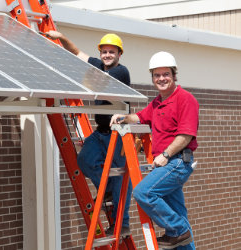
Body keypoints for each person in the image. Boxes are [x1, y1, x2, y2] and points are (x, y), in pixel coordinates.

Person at [46, 31, 132, 236]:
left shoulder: (121, 72)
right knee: (85, 160)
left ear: (119, 54)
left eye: (112, 52)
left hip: (119, 133)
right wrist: (60, 36)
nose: (107, 55)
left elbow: (98, 82)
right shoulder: (98, 65)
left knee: (121, 179)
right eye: (104, 51)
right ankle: (107, 190)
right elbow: (76, 53)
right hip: (101, 132)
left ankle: (122, 223)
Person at [110, 51, 198, 249]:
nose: (161, 79)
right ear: (152, 78)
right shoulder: (157, 102)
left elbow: (185, 136)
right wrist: (123, 117)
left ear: (174, 75)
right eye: (157, 75)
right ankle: (179, 232)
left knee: (143, 192)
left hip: (176, 162)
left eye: (166, 74)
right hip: (166, 164)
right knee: (178, 213)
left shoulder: (186, 99)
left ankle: (177, 230)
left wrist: (165, 155)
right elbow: (140, 117)